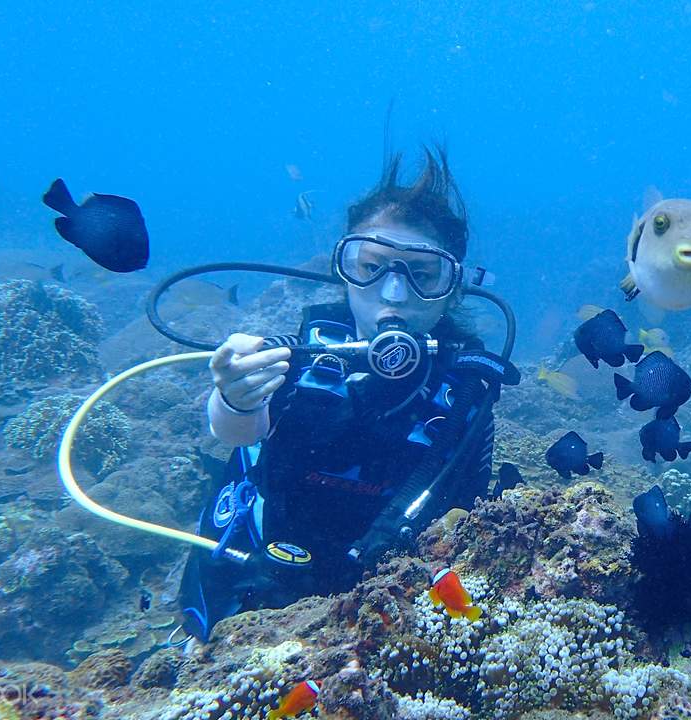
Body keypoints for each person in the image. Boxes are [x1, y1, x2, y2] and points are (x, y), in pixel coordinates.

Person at [178, 148, 504, 643]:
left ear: (453, 287)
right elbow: (239, 431)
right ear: (344, 268)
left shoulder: (465, 389)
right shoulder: (302, 353)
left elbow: (465, 503)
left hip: (386, 612)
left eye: (424, 274)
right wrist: (235, 397)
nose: (394, 294)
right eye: (371, 266)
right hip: (254, 582)